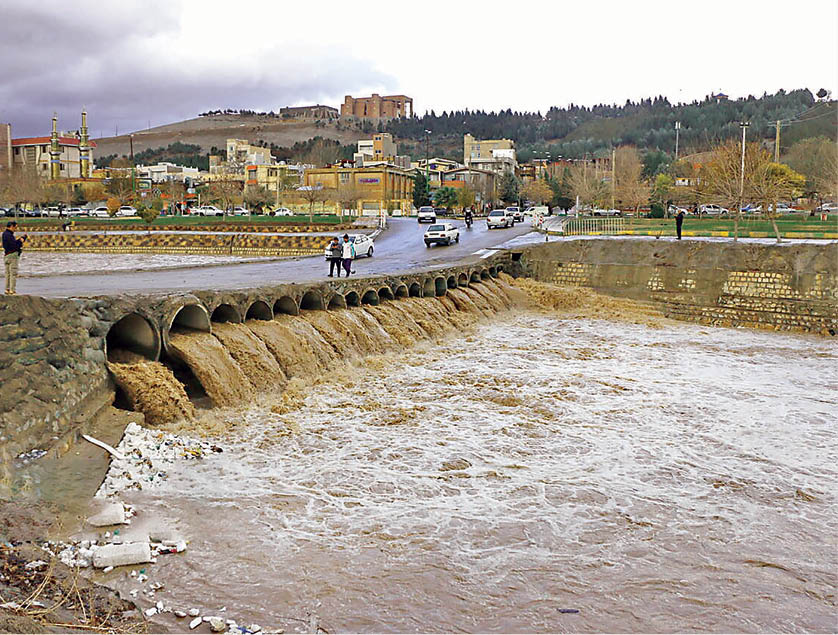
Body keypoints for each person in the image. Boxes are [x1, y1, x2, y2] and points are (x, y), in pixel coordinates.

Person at [3, 221, 26, 295]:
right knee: (13, 273)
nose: (15, 229)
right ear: (11, 226)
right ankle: (12, 290)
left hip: (6, 255)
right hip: (12, 256)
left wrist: (19, 241)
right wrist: (20, 241)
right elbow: (14, 246)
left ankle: (7, 289)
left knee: (7, 274)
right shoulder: (9, 235)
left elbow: (11, 244)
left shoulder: (4, 234)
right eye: (15, 227)